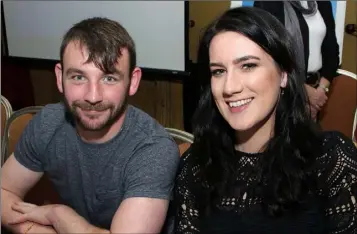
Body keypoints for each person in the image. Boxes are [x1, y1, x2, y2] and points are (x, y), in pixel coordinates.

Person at [174, 7, 356, 234]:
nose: (230, 87)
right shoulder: (197, 165)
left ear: (283, 74)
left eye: (248, 66)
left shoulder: (330, 159)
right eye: (218, 71)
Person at [1, 17, 180, 234]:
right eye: (78, 77)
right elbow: (3, 191)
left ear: (132, 82)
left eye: (109, 79)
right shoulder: (48, 124)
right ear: (59, 77)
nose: (92, 96)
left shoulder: (154, 149)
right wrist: (32, 230)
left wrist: (59, 215)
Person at [253, 1, 340, 121]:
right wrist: (303, 92)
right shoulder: (268, 3)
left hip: (317, 88)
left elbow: (332, 52)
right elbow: (268, 54)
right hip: (283, 91)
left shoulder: (323, 3)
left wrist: (321, 90)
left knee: (308, 137)